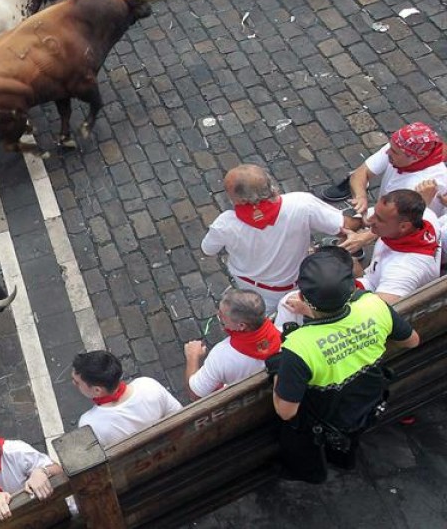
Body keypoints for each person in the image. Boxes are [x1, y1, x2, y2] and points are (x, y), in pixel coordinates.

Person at [271, 248, 420, 483]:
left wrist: (279, 370)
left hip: (332, 417)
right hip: (369, 401)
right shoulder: (372, 304)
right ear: (351, 288)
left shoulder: (298, 346)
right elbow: (412, 341)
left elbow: (286, 411)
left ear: (302, 297)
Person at [201, 164, 361, 312]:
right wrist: (366, 219)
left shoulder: (225, 223)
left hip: (249, 286)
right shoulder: (301, 204)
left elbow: (208, 249)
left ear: (241, 200)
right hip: (295, 286)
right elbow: (346, 227)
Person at [320, 122, 447, 216]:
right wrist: (360, 196)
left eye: (394, 152)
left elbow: (401, 225)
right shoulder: (398, 147)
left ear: (416, 158)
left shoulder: (426, 184)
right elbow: (360, 173)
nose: (387, 152)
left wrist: (364, 234)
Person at [184, 289, 281, 400]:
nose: (218, 315)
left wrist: (192, 356)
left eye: (222, 315)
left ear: (241, 326)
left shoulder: (221, 356)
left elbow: (194, 394)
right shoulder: (284, 334)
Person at [73, 350, 182, 446]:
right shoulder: (148, 385)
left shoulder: (89, 424)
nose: (74, 383)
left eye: (77, 382)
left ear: (97, 390)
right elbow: (179, 415)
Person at [358, 189, 441, 304]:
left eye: (379, 219)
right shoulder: (427, 216)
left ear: (404, 227)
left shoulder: (403, 270)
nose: (370, 220)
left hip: (373, 290)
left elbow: (378, 311)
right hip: (373, 277)